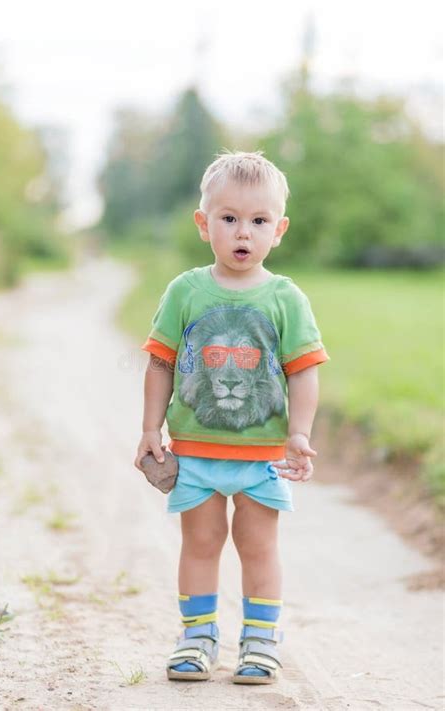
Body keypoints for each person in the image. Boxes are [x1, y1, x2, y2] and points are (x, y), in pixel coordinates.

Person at [134, 150, 329, 684]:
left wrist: (299, 434)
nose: (244, 232)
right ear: (204, 224)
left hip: (260, 454)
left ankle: (261, 641)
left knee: (258, 545)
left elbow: (303, 371)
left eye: (258, 221)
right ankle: (197, 636)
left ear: (279, 229)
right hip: (195, 452)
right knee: (199, 543)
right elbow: (160, 363)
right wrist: (151, 428)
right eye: (229, 218)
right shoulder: (185, 292)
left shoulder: (286, 298)